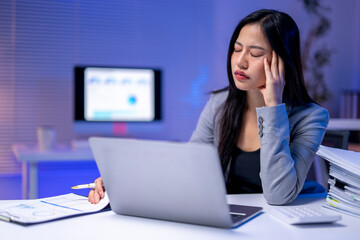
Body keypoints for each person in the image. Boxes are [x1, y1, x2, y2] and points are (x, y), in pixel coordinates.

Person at [88, 9, 329, 205]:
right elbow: (188, 169)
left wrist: (273, 107)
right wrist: (121, 181)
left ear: (281, 62)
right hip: (232, 219)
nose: (240, 61)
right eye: (236, 49)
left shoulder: (312, 117)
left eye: (255, 53)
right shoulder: (220, 104)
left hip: (284, 225)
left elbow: (279, 195)